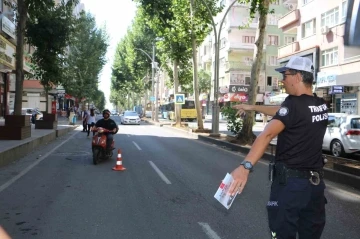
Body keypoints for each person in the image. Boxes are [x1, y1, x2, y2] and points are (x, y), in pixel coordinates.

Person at [229, 56, 328, 239]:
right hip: (315, 188)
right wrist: (252, 107)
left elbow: (266, 134)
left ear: (297, 77)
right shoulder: (320, 104)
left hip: (290, 187)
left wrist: (245, 167)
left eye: (286, 75)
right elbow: (283, 111)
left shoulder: (293, 105)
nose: (283, 80)